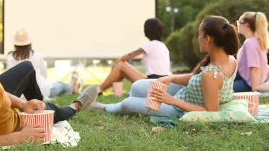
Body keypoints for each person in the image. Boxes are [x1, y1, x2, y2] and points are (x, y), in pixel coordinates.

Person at [0, 14, 98, 148]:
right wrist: (21, 137)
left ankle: (62, 106)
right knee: (47, 109)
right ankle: (74, 107)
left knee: (26, 69)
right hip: (13, 120)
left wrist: (23, 103)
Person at [91, 16, 239, 118]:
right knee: (136, 86)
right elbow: (196, 78)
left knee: (128, 103)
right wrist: (171, 77)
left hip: (178, 109)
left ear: (207, 39)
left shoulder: (212, 74)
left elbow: (211, 111)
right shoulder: (229, 59)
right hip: (183, 92)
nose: (197, 38)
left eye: (199, 35)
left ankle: (105, 107)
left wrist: (170, 100)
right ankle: (133, 99)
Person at [98, 18, 171, 95]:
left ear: (148, 30)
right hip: (162, 83)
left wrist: (115, 64)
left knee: (120, 65)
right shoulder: (163, 46)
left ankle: (98, 90)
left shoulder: (150, 45)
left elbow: (126, 57)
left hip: (153, 84)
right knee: (121, 71)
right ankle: (117, 93)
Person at [7, 29, 82, 99]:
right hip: (43, 90)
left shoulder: (10, 57)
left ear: (15, 44)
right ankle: (72, 83)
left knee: (61, 90)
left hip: (20, 96)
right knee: (60, 85)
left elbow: (10, 76)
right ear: (29, 43)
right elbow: (44, 74)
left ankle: (73, 89)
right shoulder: (36, 55)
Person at [234, 12, 269, 92]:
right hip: (250, 78)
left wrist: (254, 91)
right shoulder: (256, 40)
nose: (237, 24)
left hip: (252, 83)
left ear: (247, 25)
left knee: (223, 87)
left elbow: (255, 68)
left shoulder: (250, 43)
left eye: (239, 22)